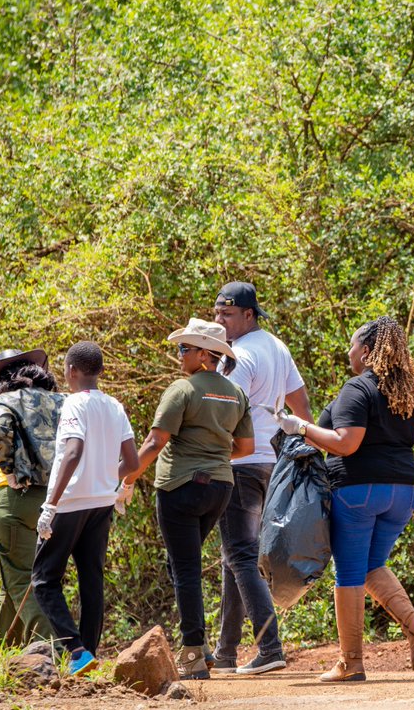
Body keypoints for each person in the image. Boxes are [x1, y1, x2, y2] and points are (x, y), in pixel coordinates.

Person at [277, 315, 414, 683]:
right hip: (404, 493)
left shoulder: (357, 388)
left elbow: (347, 443)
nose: (348, 352)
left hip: (360, 490)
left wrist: (300, 427)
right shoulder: (410, 392)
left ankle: (351, 663)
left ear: (365, 351)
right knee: (370, 564)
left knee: (348, 573)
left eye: (351, 345)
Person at [124, 318, 254, 680]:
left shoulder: (182, 390)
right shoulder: (236, 393)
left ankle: (194, 653)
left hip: (180, 486)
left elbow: (154, 443)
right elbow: (246, 448)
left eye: (184, 348)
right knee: (183, 565)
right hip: (220, 489)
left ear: (204, 354)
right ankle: (202, 646)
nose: (179, 354)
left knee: (185, 569)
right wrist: (212, 458)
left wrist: (126, 476)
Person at [212, 282, 312, 675]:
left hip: (240, 463)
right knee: (234, 557)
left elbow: (224, 411)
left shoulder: (236, 356)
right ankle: (225, 650)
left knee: (240, 555)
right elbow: (300, 405)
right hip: (273, 461)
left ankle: (269, 647)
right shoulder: (277, 346)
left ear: (249, 315)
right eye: (217, 313)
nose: (220, 321)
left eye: (228, 314)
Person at [30, 341, 139, 676]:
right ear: (100, 372)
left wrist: (50, 504)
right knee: (92, 578)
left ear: (72, 371)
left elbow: (73, 452)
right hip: (102, 502)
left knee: (44, 579)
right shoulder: (114, 406)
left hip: (71, 502)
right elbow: (132, 461)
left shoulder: (73, 404)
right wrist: (110, 479)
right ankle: (88, 653)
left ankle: (76, 651)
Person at [0, 348, 61, 646]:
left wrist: (8, 469)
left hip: (16, 500)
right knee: (31, 579)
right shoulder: (62, 402)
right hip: (58, 502)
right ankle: (3, 650)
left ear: (3, 381)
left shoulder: (4, 401)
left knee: (23, 579)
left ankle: (48, 652)